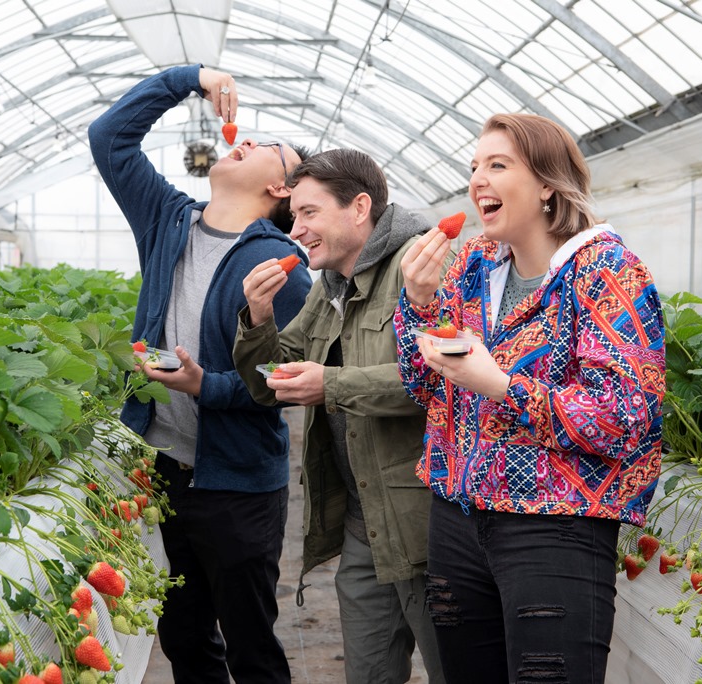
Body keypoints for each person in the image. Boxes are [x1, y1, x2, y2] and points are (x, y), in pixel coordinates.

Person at [394, 113, 666, 684]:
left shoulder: (606, 273)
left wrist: (503, 387)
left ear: (547, 183)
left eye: (498, 165)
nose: (477, 180)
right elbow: (424, 387)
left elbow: (625, 418)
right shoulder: (473, 267)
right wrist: (417, 304)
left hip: (555, 527)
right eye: (474, 167)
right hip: (457, 517)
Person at [88, 64, 313, 684]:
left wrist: (201, 385)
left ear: (279, 188)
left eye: (268, 148)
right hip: (165, 471)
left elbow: (281, 384)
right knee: (185, 639)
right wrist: (189, 79)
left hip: (238, 483)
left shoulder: (282, 265)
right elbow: (110, 138)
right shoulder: (167, 221)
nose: (247, 139)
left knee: (250, 645)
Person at [233, 148, 447, 684]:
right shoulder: (329, 289)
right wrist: (257, 319)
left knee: (457, 666)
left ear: (358, 208)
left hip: (427, 522)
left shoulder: (418, 269)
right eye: (294, 216)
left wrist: (328, 384)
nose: (296, 228)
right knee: (370, 673)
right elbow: (270, 384)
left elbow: (436, 382)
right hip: (362, 519)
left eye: (308, 213)